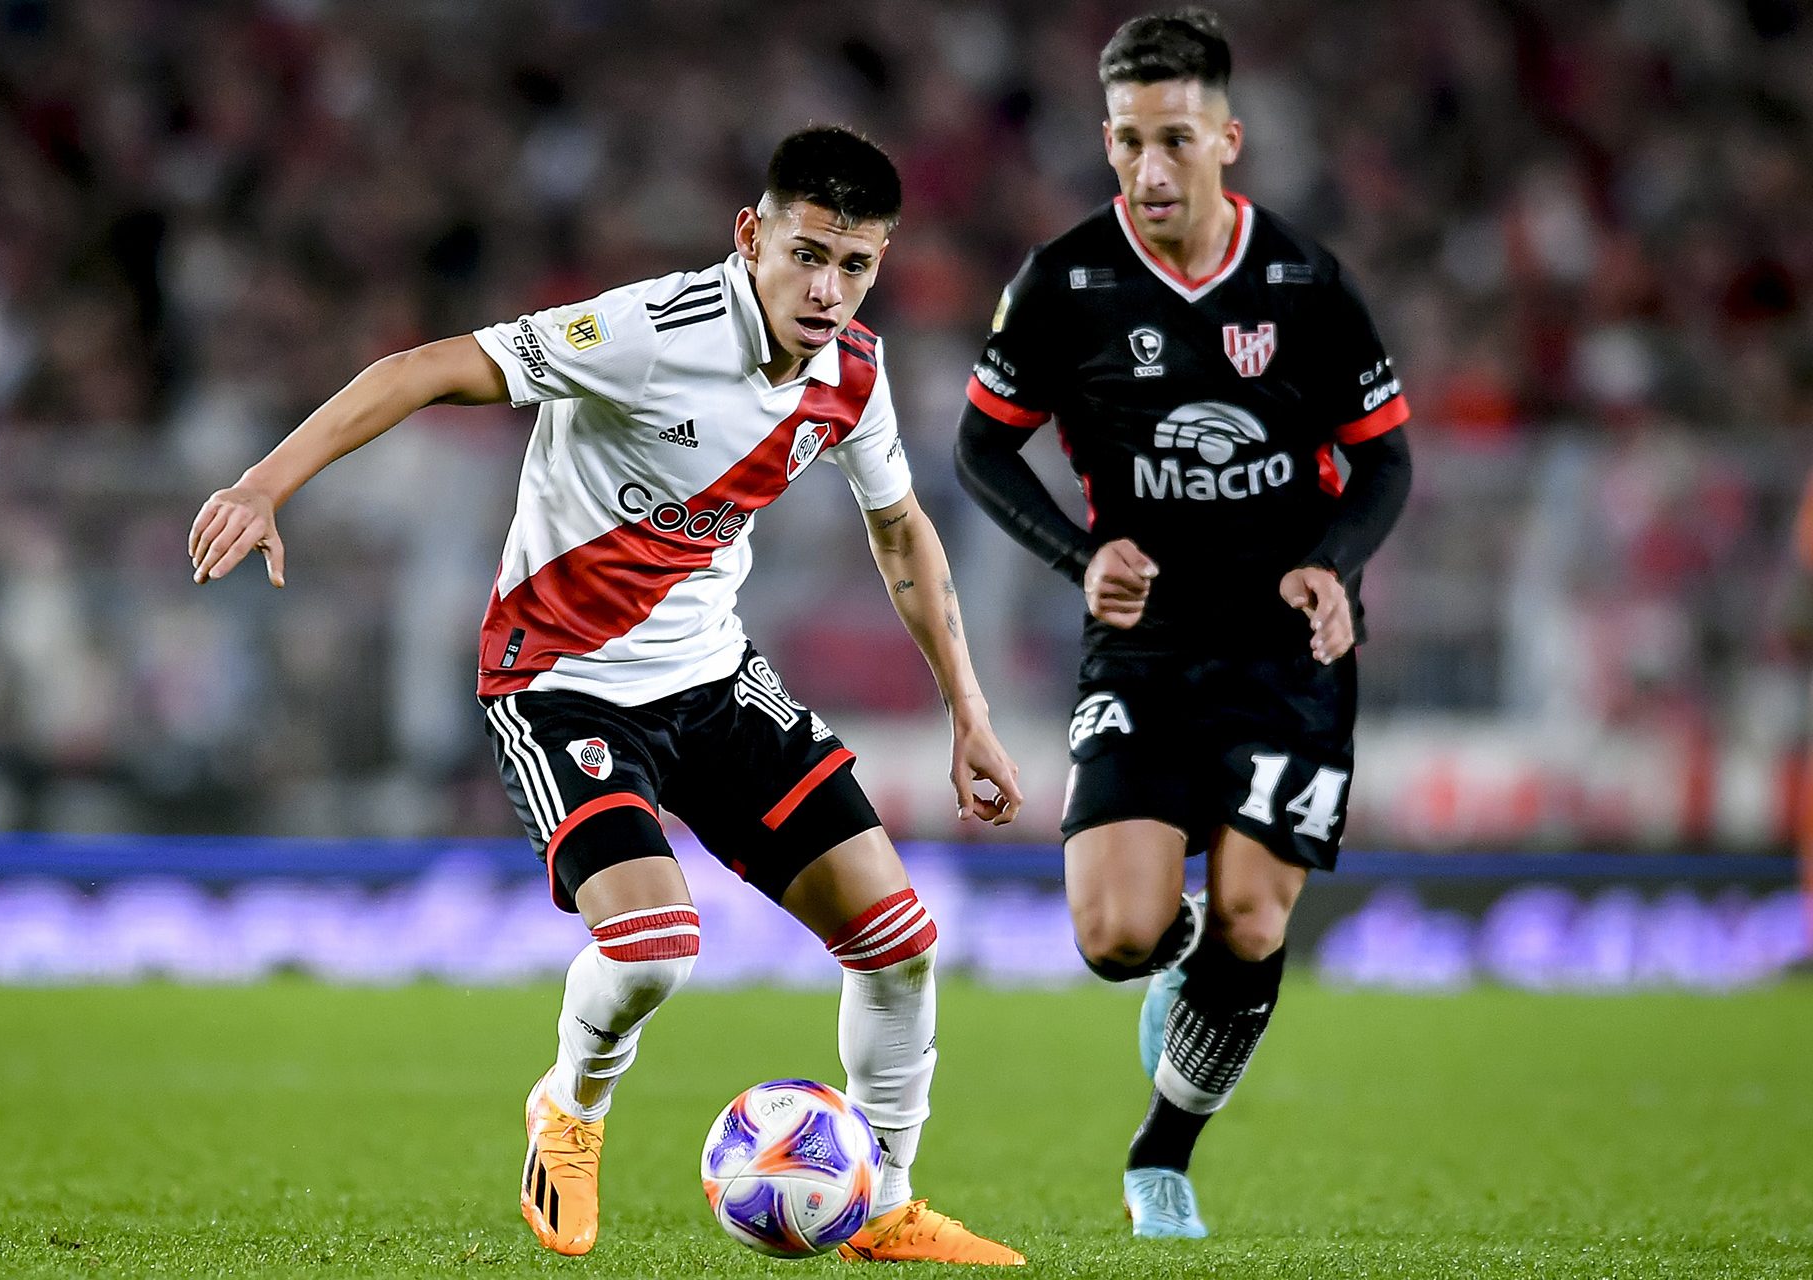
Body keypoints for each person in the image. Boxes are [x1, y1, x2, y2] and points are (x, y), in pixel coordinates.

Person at [190, 126, 1026, 1266]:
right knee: (652, 948)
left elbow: (901, 534)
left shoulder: (855, 375)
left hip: (713, 678)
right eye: (807, 254)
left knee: (897, 940)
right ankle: (569, 1107)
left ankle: (880, 1203)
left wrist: (968, 712)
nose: (829, 289)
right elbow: (421, 368)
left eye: (857, 264)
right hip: (560, 686)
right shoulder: (646, 331)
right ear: (750, 235)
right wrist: (263, 481)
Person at [954, 9, 1412, 1240]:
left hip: (1287, 645)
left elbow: (1384, 464)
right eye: (1128, 143)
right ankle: (1177, 952)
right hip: (1146, 643)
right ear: (1107, 143)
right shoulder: (1063, 283)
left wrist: (1331, 565)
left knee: (1262, 916)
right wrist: (1077, 552)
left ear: (1227, 137)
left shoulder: (1307, 284)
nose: (1151, 171)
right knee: (1115, 935)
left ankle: (1163, 1152)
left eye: (1176, 140)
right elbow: (980, 447)